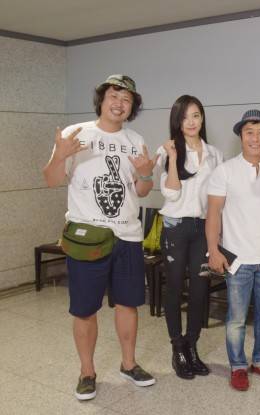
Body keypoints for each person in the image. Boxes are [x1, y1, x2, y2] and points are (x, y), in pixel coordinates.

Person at [43, 74, 157, 401]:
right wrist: (60, 155)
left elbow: (142, 190)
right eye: (114, 96)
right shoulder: (76, 134)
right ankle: (87, 372)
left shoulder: (135, 140)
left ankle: (129, 364)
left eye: (127, 99)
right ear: (102, 100)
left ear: (133, 107)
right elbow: (51, 179)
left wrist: (146, 173)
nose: (119, 104)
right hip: (88, 238)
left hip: (128, 236)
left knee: (128, 303)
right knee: (84, 308)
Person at [205, 109, 260, 391]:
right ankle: (238, 366)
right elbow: (213, 214)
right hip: (238, 259)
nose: (255, 138)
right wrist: (213, 250)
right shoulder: (225, 171)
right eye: (249, 133)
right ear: (241, 136)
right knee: (236, 319)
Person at [157, 95, 223, 379]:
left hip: (203, 228)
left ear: (202, 118)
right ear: (177, 121)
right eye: (184, 117)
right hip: (175, 227)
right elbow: (171, 193)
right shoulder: (168, 151)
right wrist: (173, 158)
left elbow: (219, 198)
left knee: (200, 288)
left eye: (195, 115)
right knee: (174, 287)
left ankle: (192, 346)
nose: (191, 122)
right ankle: (177, 348)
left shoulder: (215, 154)